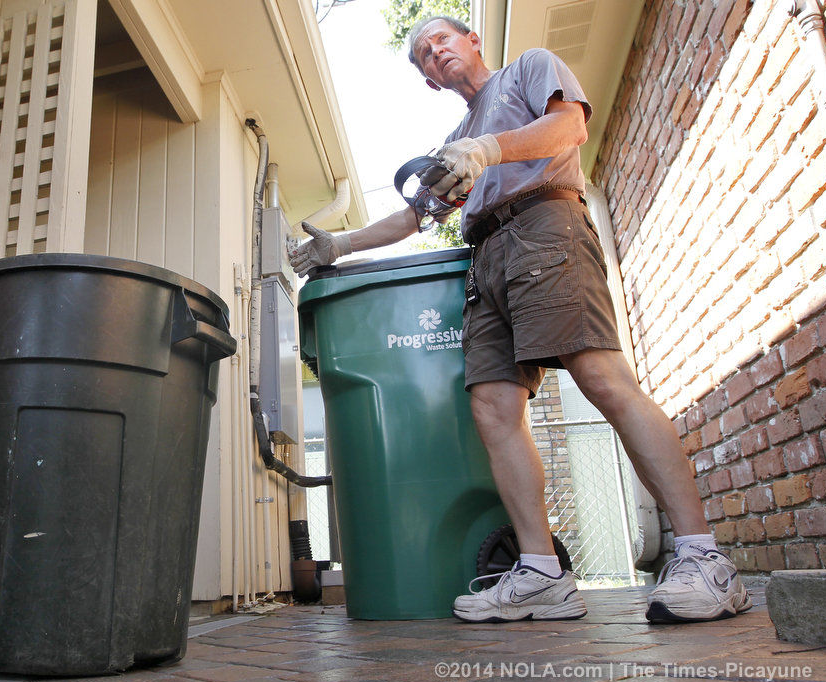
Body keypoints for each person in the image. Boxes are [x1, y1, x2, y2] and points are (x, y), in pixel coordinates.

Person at [289, 16, 750, 625]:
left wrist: (489, 150)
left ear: (472, 41)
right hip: (486, 257)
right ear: (428, 80)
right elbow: (414, 218)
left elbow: (569, 127)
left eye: (442, 39)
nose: (435, 52)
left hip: (545, 228)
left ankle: (704, 559)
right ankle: (542, 573)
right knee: (493, 407)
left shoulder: (528, 70)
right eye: (423, 54)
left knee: (604, 380)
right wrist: (339, 246)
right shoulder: (455, 138)